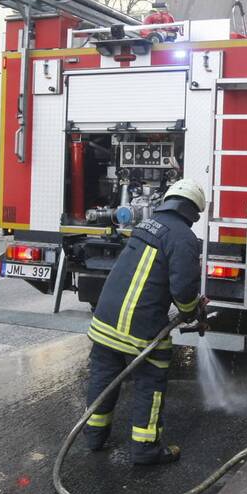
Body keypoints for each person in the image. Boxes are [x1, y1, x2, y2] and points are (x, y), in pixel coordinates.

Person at [82, 179, 206, 465]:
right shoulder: (183, 237)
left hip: (105, 318)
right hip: (139, 327)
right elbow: (184, 290)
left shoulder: (146, 226)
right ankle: (145, 449)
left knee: (103, 377)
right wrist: (190, 311)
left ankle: (93, 436)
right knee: (150, 380)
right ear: (192, 212)